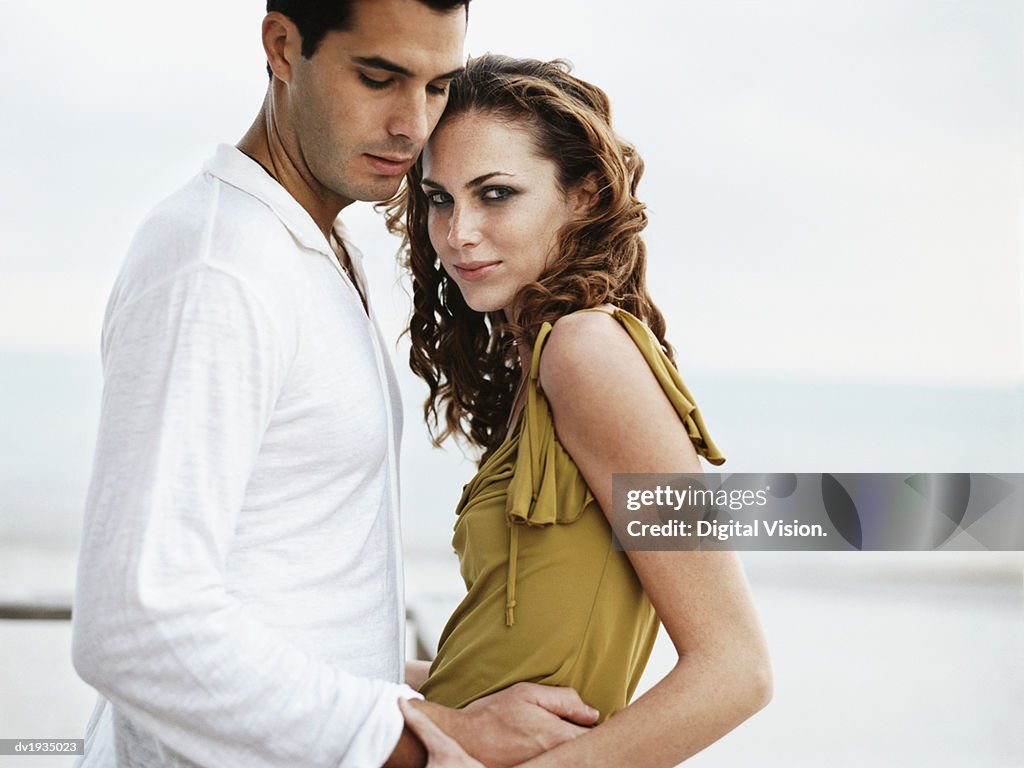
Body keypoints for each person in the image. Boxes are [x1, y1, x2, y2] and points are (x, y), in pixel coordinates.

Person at [70, 7, 600, 768]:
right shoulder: (217, 266)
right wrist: (420, 745)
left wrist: (430, 704)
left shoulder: (319, 245)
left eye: (438, 87)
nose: (412, 125)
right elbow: (134, 622)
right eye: (379, 78)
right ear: (284, 47)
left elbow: (291, 592)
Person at [384, 55, 773, 766]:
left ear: (586, 197)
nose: (458, 232)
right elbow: (501, 659)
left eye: (496, 194)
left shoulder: (585, 350)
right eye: (439, 198)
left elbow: (735, 671)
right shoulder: (537, 363)